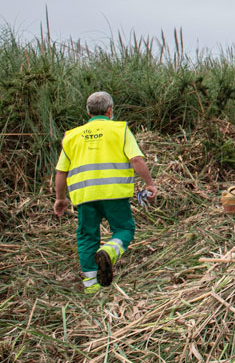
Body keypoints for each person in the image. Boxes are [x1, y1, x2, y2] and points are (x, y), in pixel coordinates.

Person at [53, 91, 158, 293]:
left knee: (86, 237)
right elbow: (136, 160)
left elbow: (61, 172)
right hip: (114, 193)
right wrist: (150, 184)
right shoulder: (120, 130)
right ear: (110, 110)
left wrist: (60, 199)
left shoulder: (71, 136)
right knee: (124, 230)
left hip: (84, 196)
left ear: (87, 111)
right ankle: (109, 252)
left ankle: (91, 287)